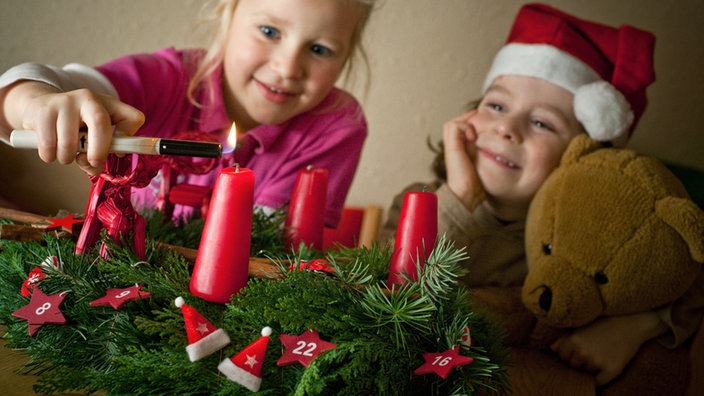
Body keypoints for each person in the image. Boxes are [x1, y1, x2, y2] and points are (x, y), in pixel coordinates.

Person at [381, 3, 702, 388]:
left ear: (580, 159)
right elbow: (385, 292)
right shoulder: (420, 203)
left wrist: (635, 327)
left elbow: (685, 280)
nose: (506, 128)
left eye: (541, 123)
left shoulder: (590, 241)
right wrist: (462, 196)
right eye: (496, 105)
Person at [0, 0, 376, 226]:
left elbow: (274, 252)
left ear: (346, 57)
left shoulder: (337, 126)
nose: (288, 67)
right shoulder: (166, 79)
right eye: (269, 31)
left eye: (321, 49)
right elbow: (34, 88)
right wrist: (35, 103)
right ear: (227, 15)